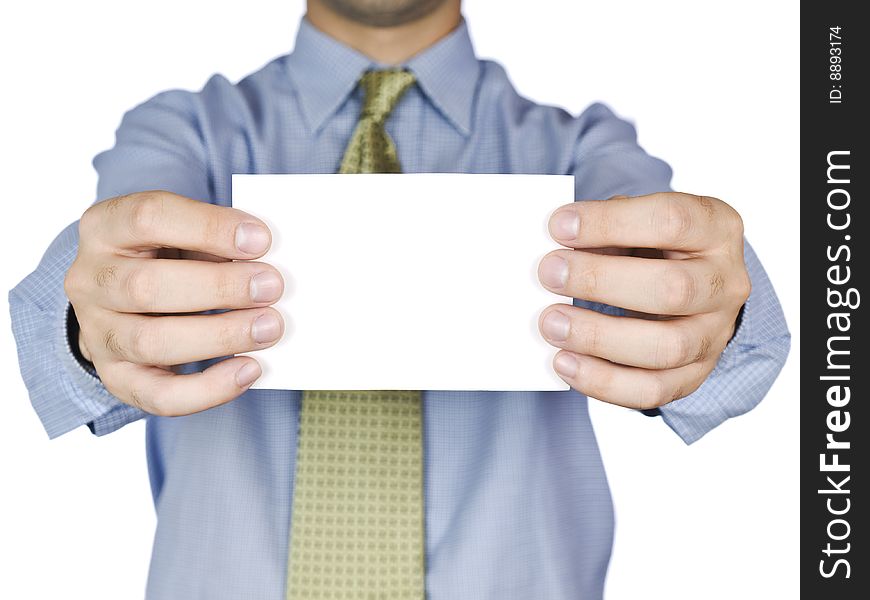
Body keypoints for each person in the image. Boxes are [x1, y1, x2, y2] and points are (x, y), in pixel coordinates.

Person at [9, 0, 790, 598]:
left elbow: (727, 330)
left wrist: (706, 307)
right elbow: (84, 290)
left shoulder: (584, 150)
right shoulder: (184, 134)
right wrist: (94, 328)